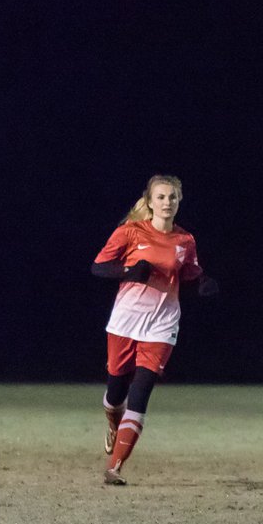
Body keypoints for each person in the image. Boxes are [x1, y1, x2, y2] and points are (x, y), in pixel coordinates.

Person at [91, 174, 218, 485]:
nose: (167, 203)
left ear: (179, 201)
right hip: (126, 320)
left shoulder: (185, 240)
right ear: (149, 201)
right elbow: (98, 266)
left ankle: (114, 467)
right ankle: (112, 421)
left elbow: (188, 269)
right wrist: (129, 271)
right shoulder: (130, 232)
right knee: (116, 391)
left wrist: (202, 281)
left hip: (162, 324)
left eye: (172, 197)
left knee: (140, 392)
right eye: (161, 197)